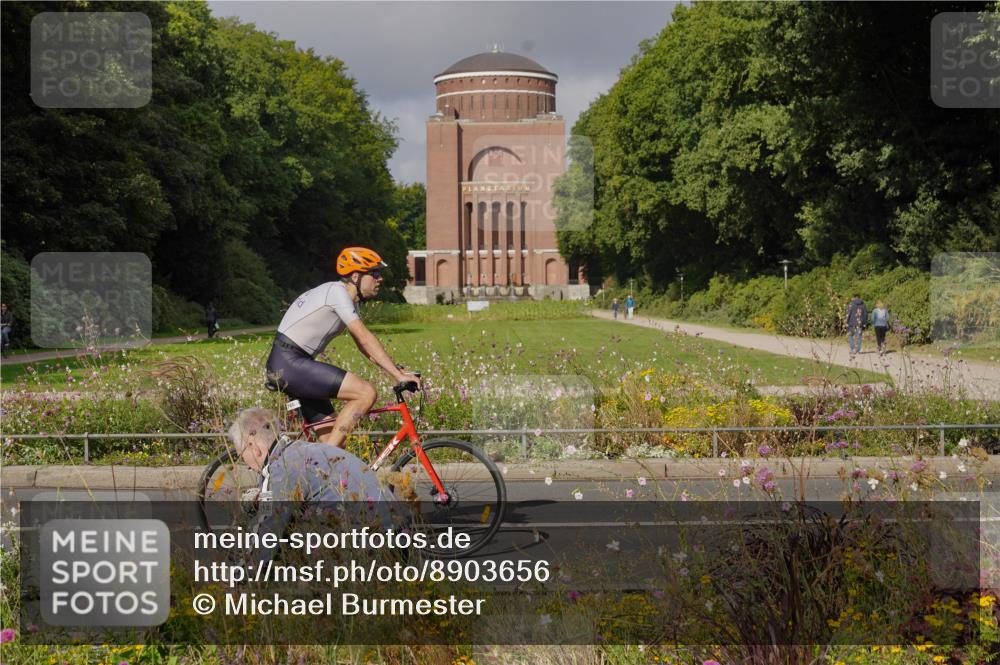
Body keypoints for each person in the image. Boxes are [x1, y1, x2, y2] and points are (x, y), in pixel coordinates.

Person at [266, 247, 421, 448]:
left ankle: (320, 469)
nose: (379, 279)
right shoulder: (337, 293)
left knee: (336, 451)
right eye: (374, 273)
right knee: (366, 393)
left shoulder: (346, 300)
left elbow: (362, 346)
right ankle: (325, 456)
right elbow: (364, 337)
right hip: (290, 363)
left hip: (293, 364)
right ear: (355, 276)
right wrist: (398, 376)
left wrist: (395, 370)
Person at [228, 407, 401, 565]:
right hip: (397, 534)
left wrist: (238, 576)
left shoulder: (282, 469)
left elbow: (267, 533)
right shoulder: (302, 450)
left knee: (291, 541)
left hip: (377, 550)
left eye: (240, 454)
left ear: (253, 447)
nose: (246, 464)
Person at [845, 294, 868, 359]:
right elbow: (865, 314)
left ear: (854, 297)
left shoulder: (851, 304)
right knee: (859, 336)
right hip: (860, 323)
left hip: (851, 323)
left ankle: (853, 348)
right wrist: (865, 323)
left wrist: (846, 322)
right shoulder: (863, 305)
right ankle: (858, 349)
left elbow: (848, 314)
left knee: (850, 335)